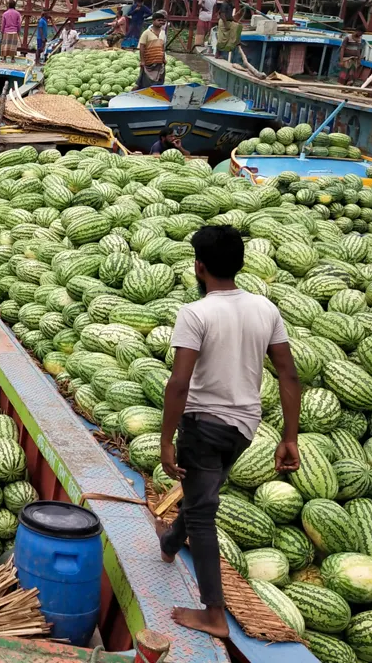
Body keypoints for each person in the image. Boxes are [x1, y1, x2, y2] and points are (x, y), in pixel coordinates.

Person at [158, 224, 301, 639]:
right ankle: (169, 544)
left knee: (202, 513)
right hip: (244, 428)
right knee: (203, 493)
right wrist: (289, 437)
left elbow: (179, 383)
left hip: (203, 425)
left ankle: (214, 615)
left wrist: (166, 441)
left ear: (199, 267)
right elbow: (288, 373)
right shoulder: (265, 308)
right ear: (239, 264)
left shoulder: (196, 313)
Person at [137, 11, 169, 89]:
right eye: (159, 20)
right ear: (153, 21)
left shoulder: (163, 33)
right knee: (146, 83)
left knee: (159, 81)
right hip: (149, 62)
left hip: (159, 62)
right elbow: (142, 47)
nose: (161, 22)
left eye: (162, 20)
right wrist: (142, 61)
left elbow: (162, 47)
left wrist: (164, 59)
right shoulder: (146, 33)